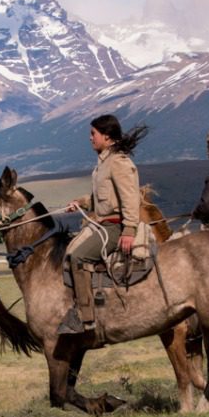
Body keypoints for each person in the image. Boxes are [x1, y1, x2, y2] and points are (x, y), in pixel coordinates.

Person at [57, 114, 147, 334]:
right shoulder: (104, 163)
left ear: (106, 137)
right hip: (103, 224)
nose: (90, 138)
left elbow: (130, 198)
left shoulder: (118, 163)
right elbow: (101, 198)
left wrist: (128, 230)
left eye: (93, 134)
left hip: (115, 227)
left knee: (78, 257)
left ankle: (84, 316)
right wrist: (80, 202)